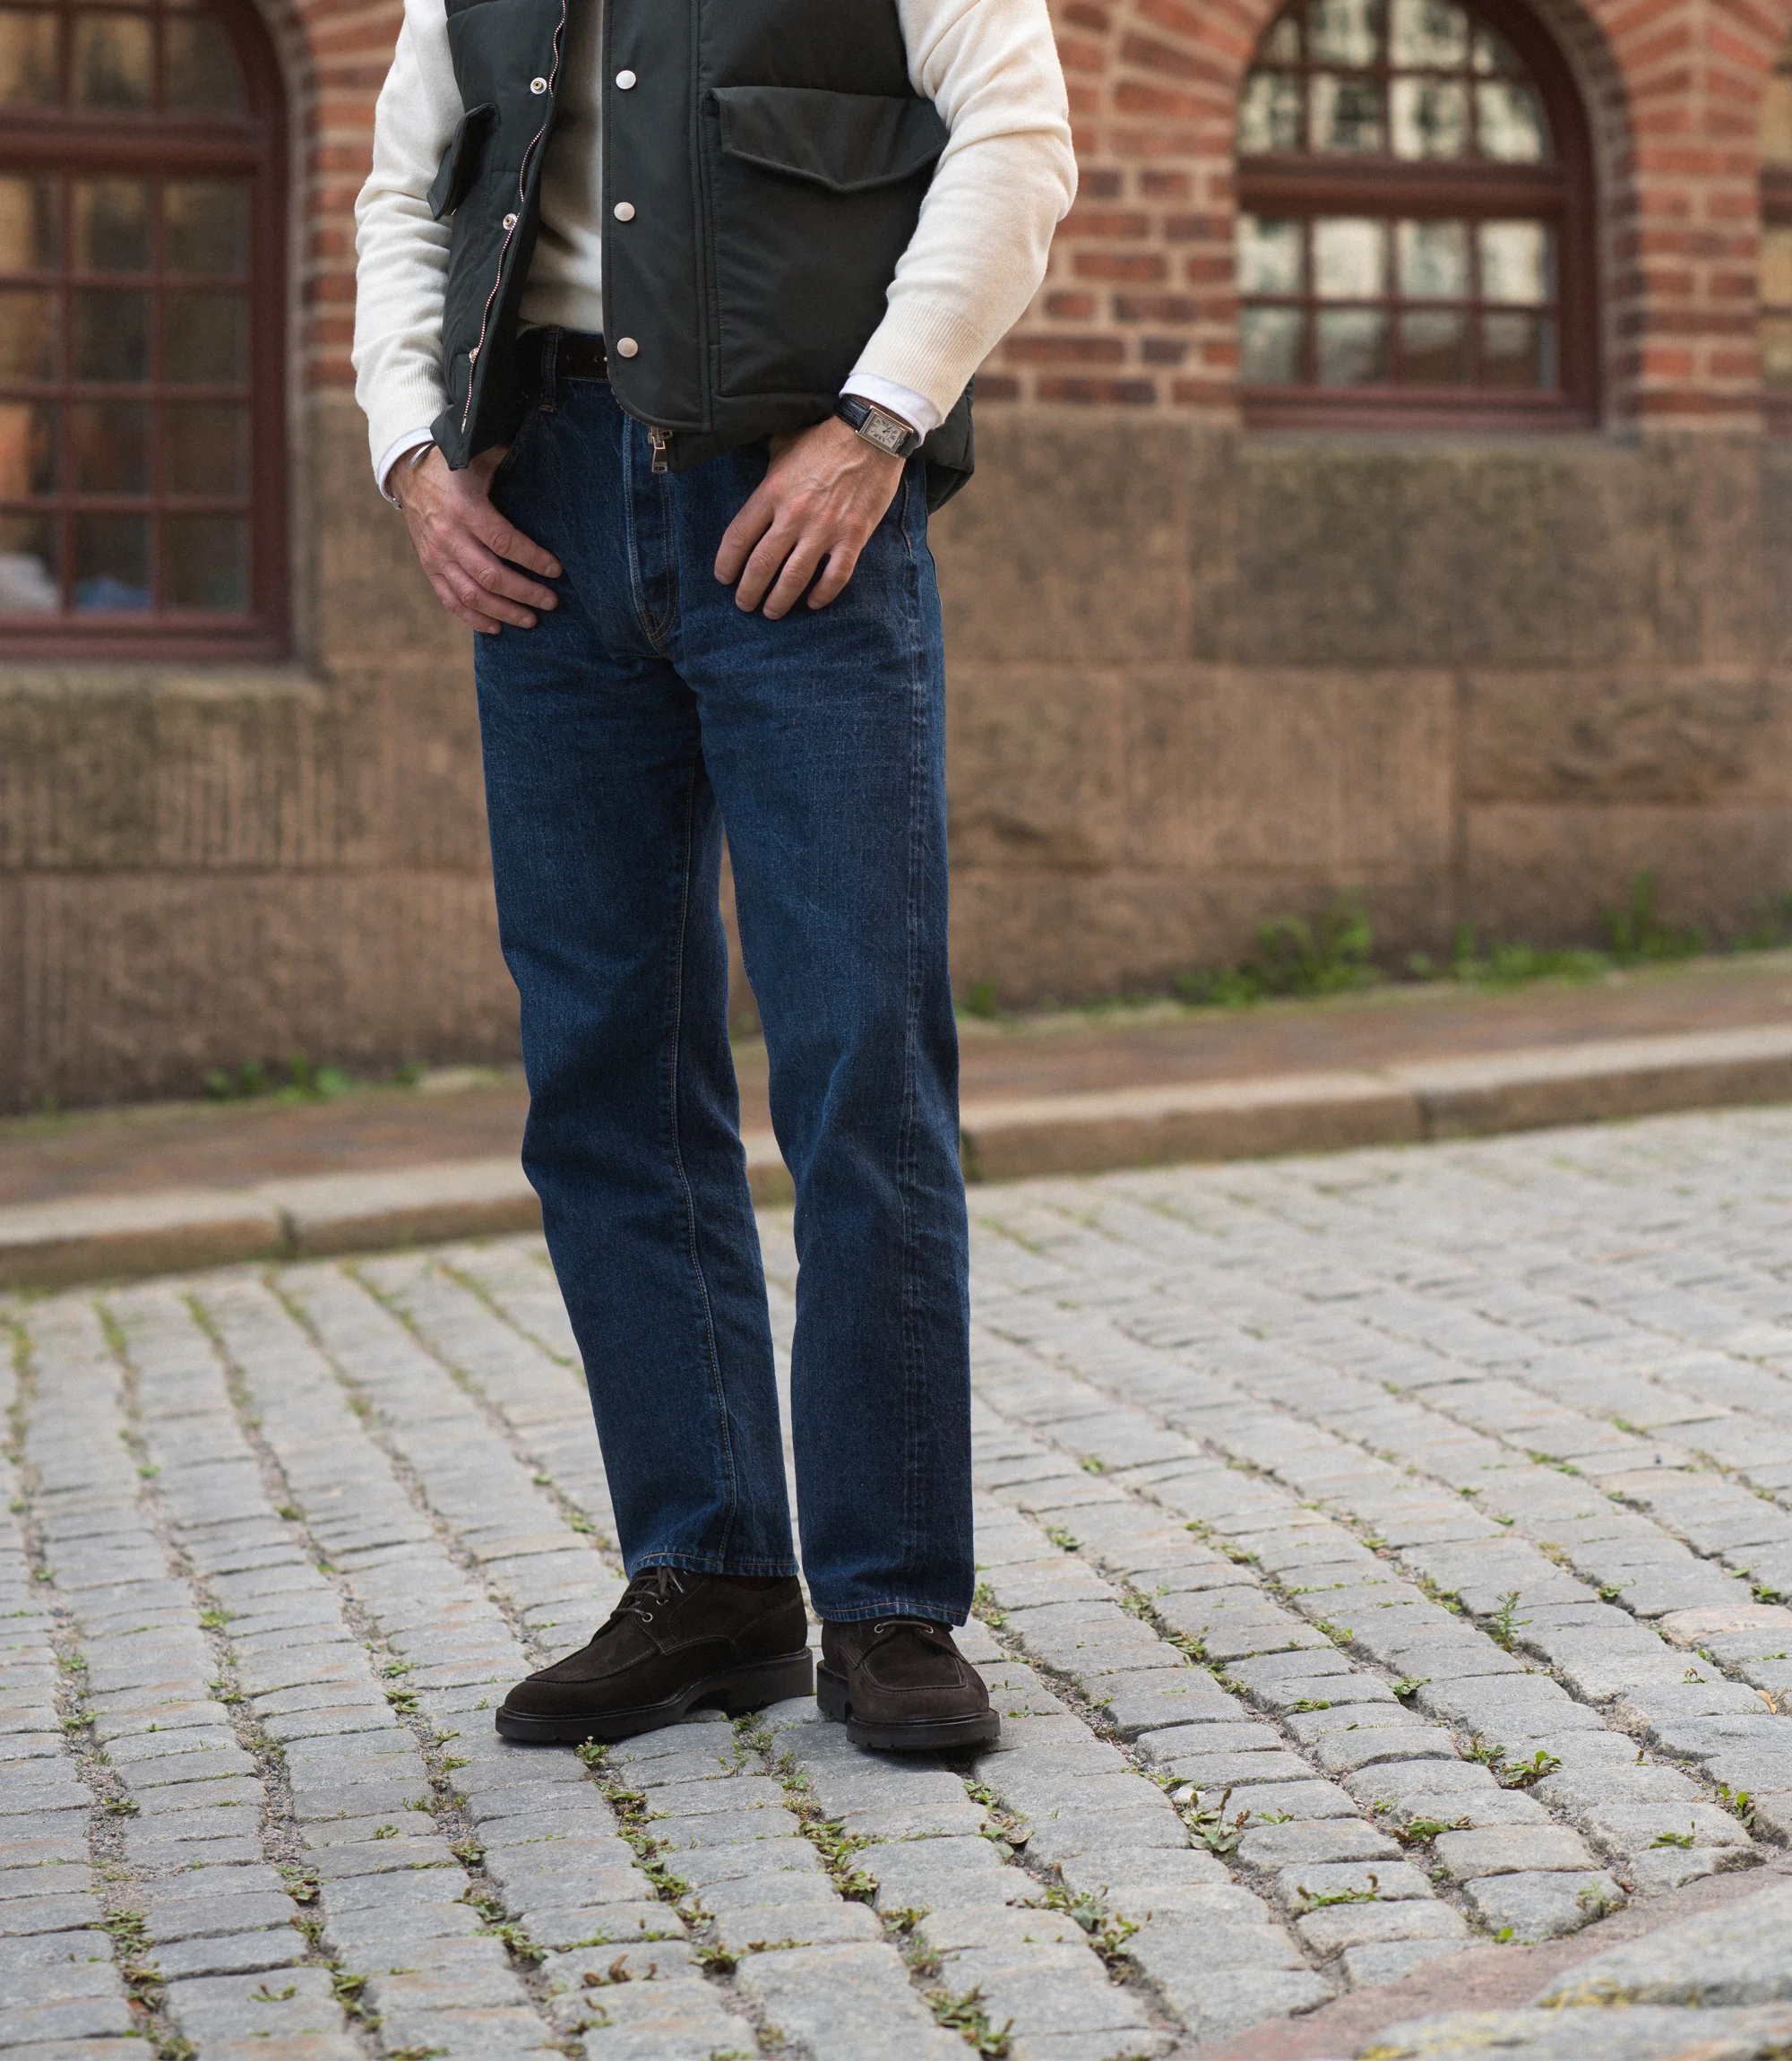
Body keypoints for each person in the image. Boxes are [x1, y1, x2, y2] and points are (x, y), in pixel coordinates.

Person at [352, 0, 1074, 1753]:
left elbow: (1020, 140)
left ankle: (892, 1603)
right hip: (543, 507)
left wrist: (878, 418)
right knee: (602, 1065)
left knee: (856, 1056)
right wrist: (407, 445)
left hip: (796, 496)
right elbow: (400, 188)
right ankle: (712, 1576)